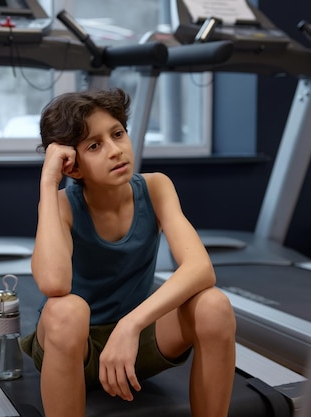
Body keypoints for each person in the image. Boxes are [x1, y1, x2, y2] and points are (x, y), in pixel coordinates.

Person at [20, 88, 236, 417]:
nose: (115, 151)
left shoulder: (157, 187)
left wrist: (130, 325)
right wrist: (49, 183)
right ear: (73, 167)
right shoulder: (63, 205)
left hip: (135, 343)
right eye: (95, 145)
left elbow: (200, 269)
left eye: (118, 134)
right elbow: (53, 284)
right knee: (67, 311)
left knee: (214, 305)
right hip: (76, 347)